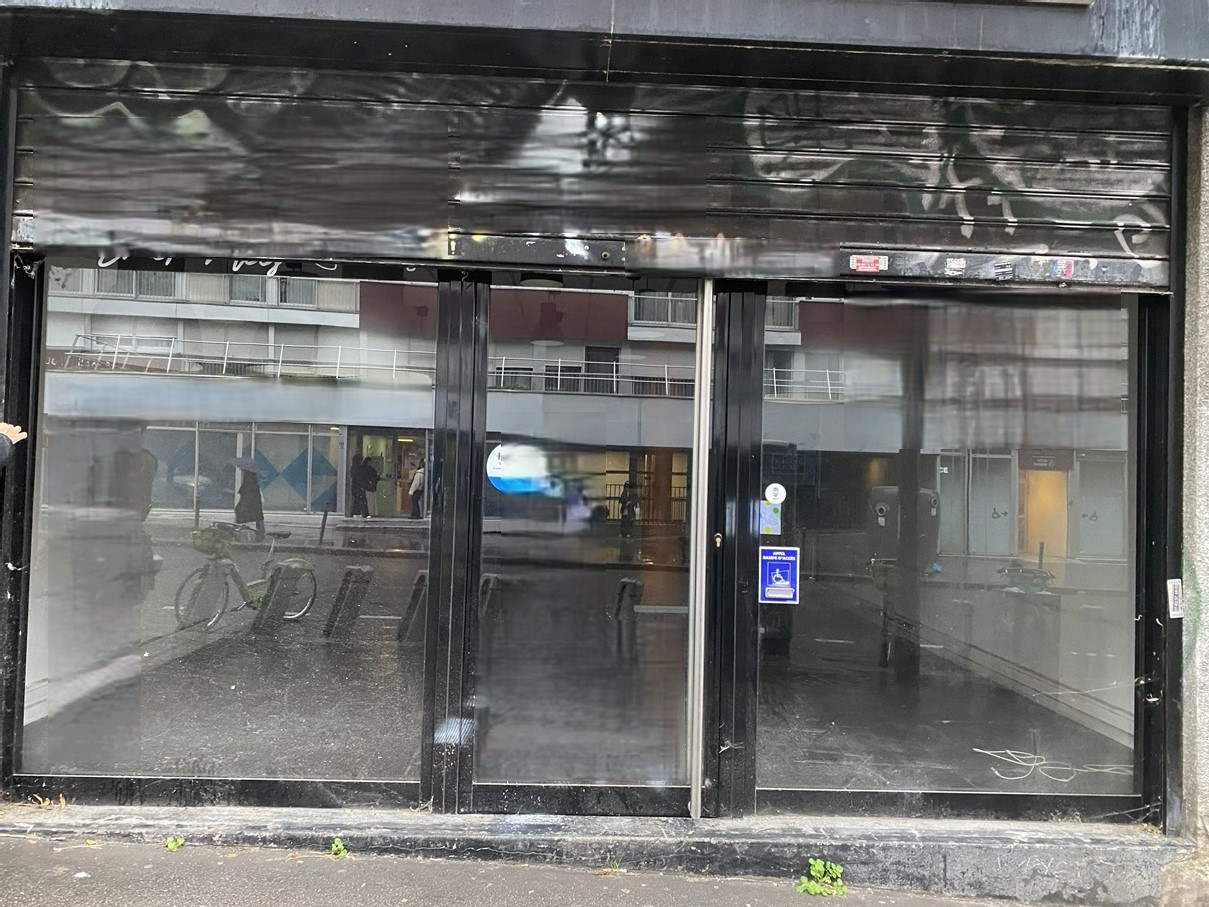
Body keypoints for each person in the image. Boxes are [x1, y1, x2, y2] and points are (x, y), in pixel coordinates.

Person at [234, 468, 265, 538]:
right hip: (254, 506)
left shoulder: (248, 485)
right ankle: (259, 533)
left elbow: (245, 497)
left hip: (250, 505)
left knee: (245, 514)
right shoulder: (253, 484)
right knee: (258, 516)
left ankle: (257, 533)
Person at [350, 453, 370, 518]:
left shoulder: (354, 467)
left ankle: (356, 512)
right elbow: (359, 478)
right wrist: (364, 485)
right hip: (358, 486)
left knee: (358, 500)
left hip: (356, 486)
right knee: (361, 500)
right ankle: (365, 513)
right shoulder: (357, 468)